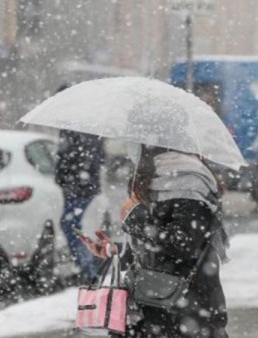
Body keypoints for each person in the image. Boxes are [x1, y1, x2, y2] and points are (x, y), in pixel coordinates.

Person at [81, 144, 230, 338]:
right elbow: (151, 249)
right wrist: (115, 250)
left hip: (183, 310)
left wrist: (134, 217)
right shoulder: (155, 177)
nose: (132, 147)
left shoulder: (188, 181)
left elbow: (182, 244)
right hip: (151, 307)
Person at [55, 85, 105, 283]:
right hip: (76, 184)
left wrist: (78, 175)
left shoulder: (80, 123)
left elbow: (90, 156)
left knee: (69, 224)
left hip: (80, 186)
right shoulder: (73, 123)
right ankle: (86, 267)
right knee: (70, 224)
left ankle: (88, 269)